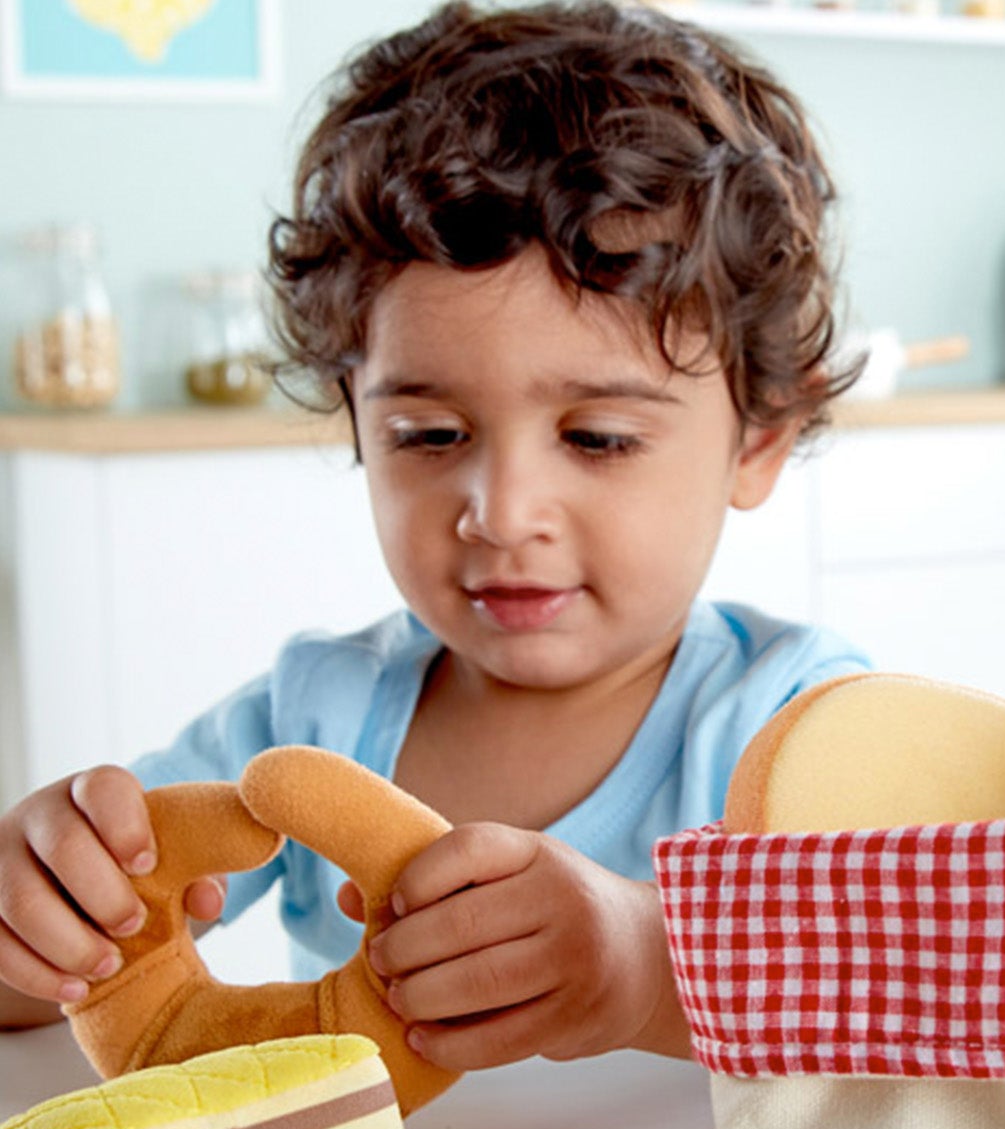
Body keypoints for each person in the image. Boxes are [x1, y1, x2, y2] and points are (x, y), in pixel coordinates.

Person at [0, 0, 869, 1070]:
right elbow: (67, 980)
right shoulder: (308, 717)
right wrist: (35, 926)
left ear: (757, 444)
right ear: (356, 418)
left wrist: (646, 967)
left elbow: (915, 995)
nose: (499, 512)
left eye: (595, 438)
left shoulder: (796, 727)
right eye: (429, 433)